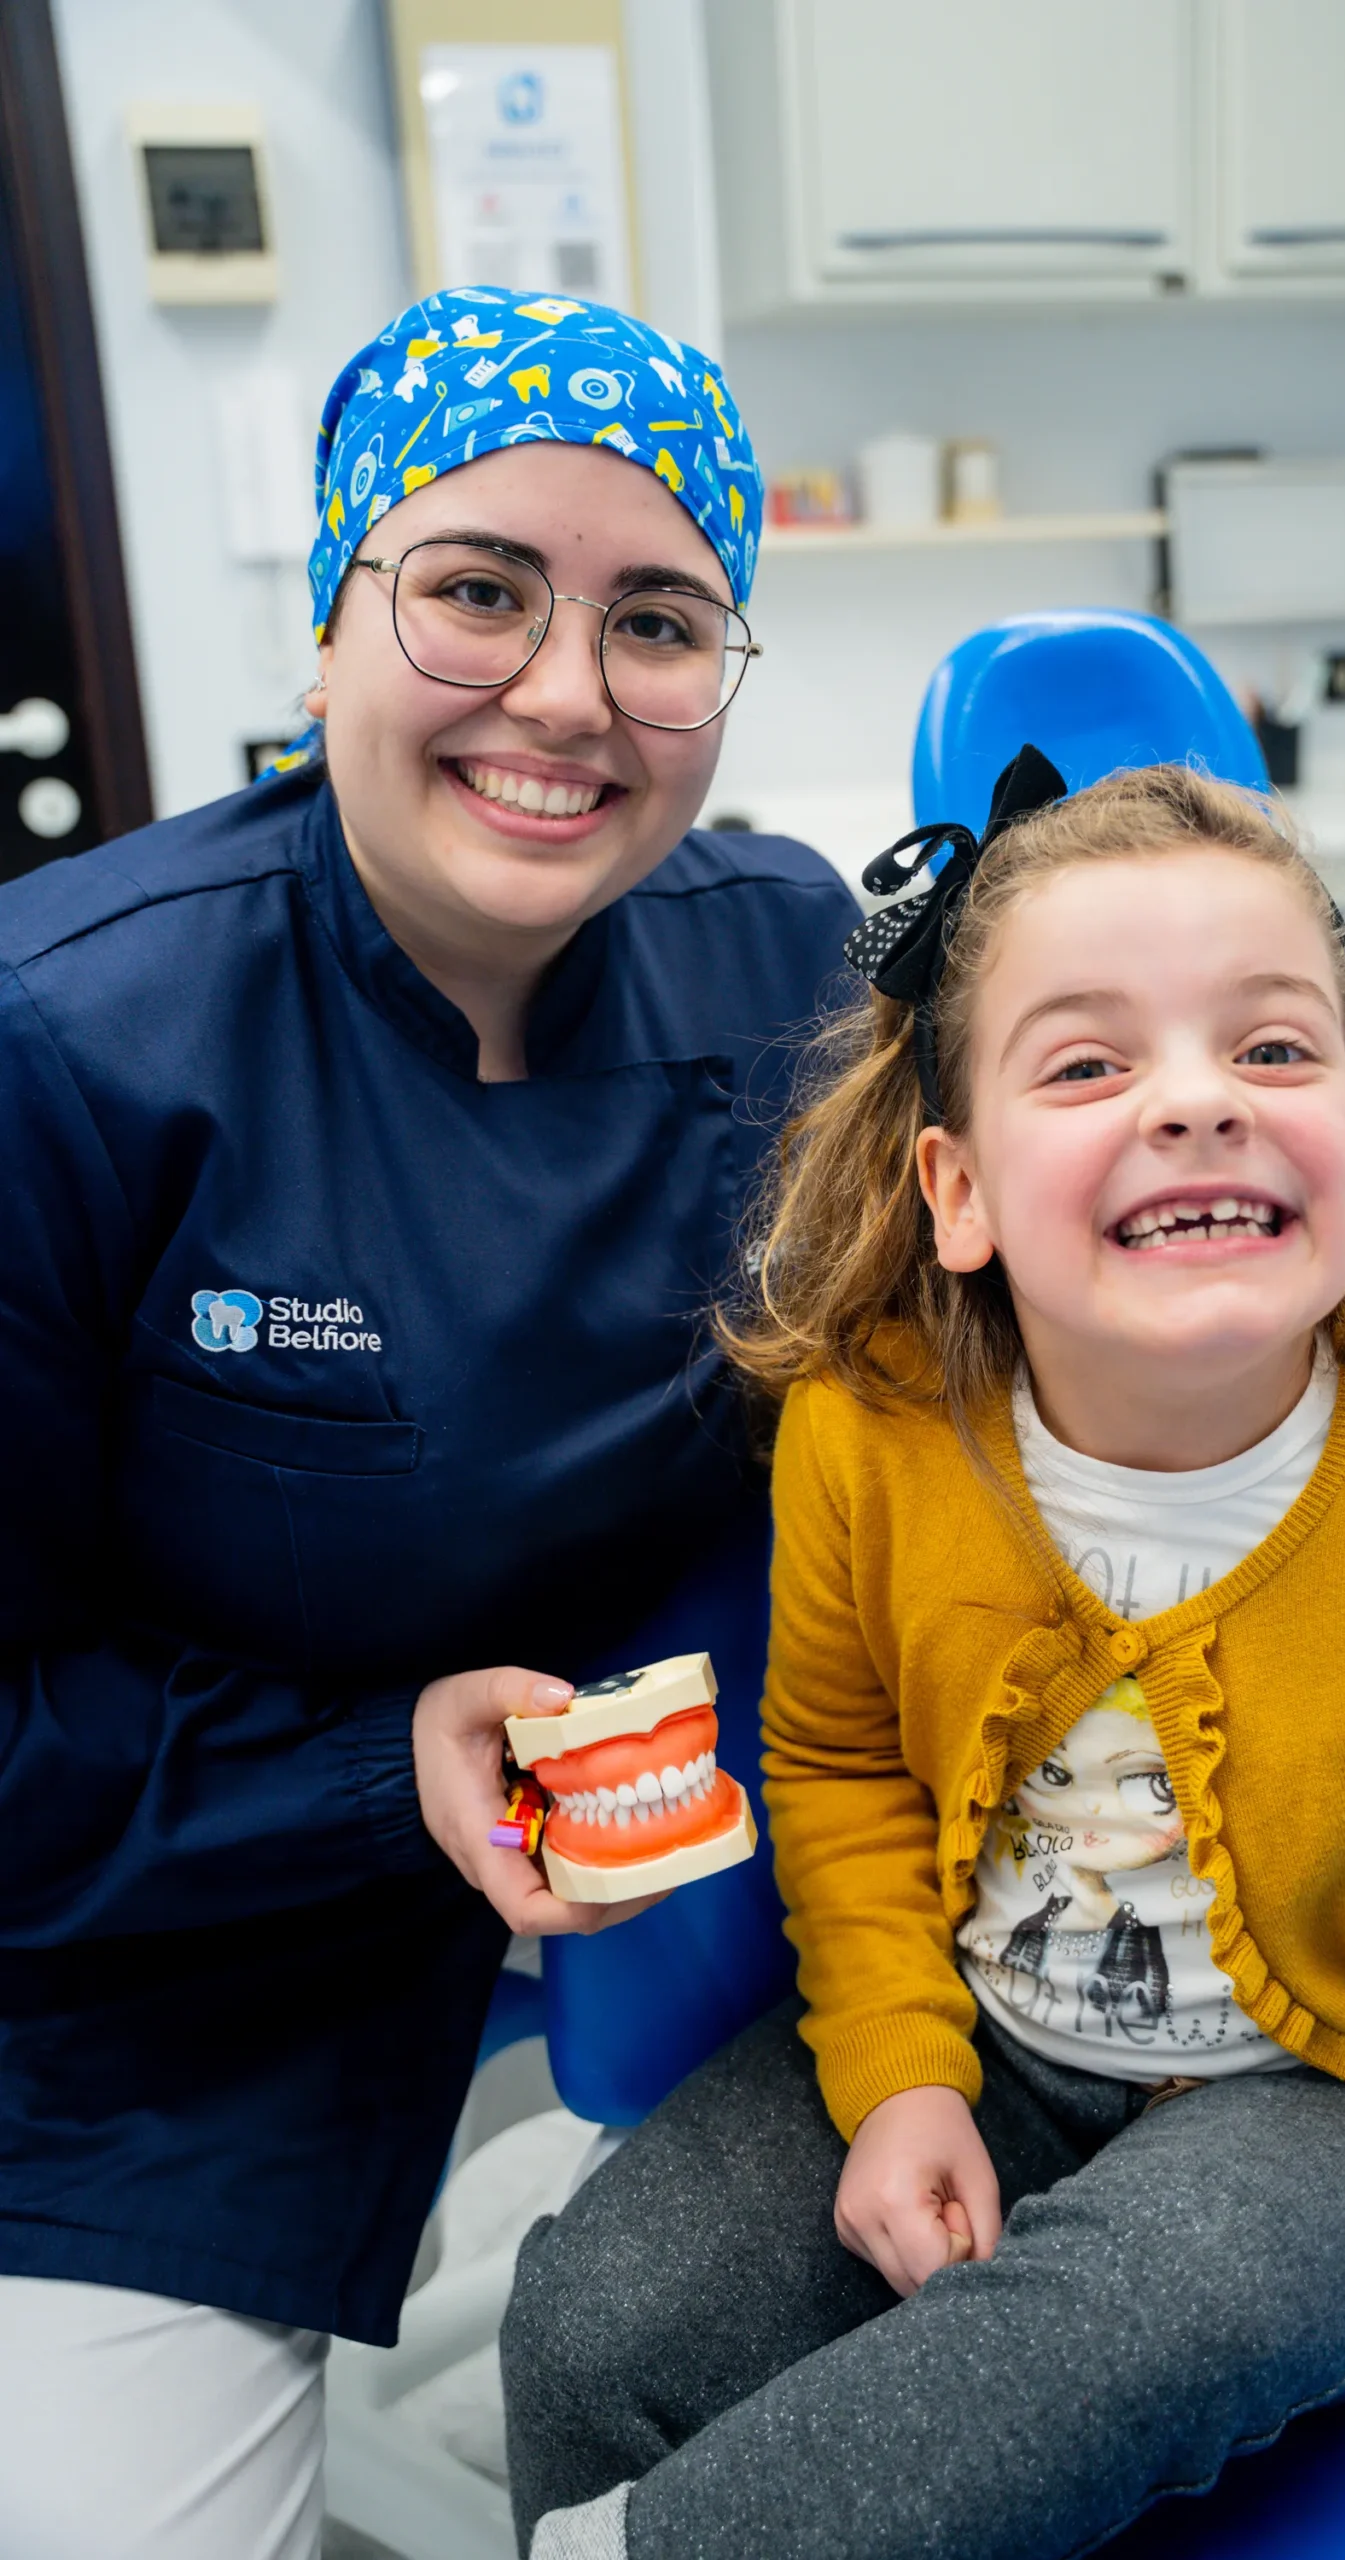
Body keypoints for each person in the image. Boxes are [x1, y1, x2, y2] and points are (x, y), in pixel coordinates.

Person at [505, 757, 1345, 2560]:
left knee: (1132, 2313)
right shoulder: (870, 1436)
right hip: (995, 2036)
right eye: (1087, 1062)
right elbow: (836, 1775)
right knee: (593, 2330)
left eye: (1274, 1051)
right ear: (958, 1188)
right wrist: (902, 2074)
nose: (1197, 1104)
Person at [0, 291, 857, 2558]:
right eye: (478, 587)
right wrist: (379, 1776)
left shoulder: (791, 958)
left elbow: (1186, 1208)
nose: (565, 694)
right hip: (148, 1966)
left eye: (657, 619)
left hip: (705, 1856)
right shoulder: (64, 1038)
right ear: (329, 617)